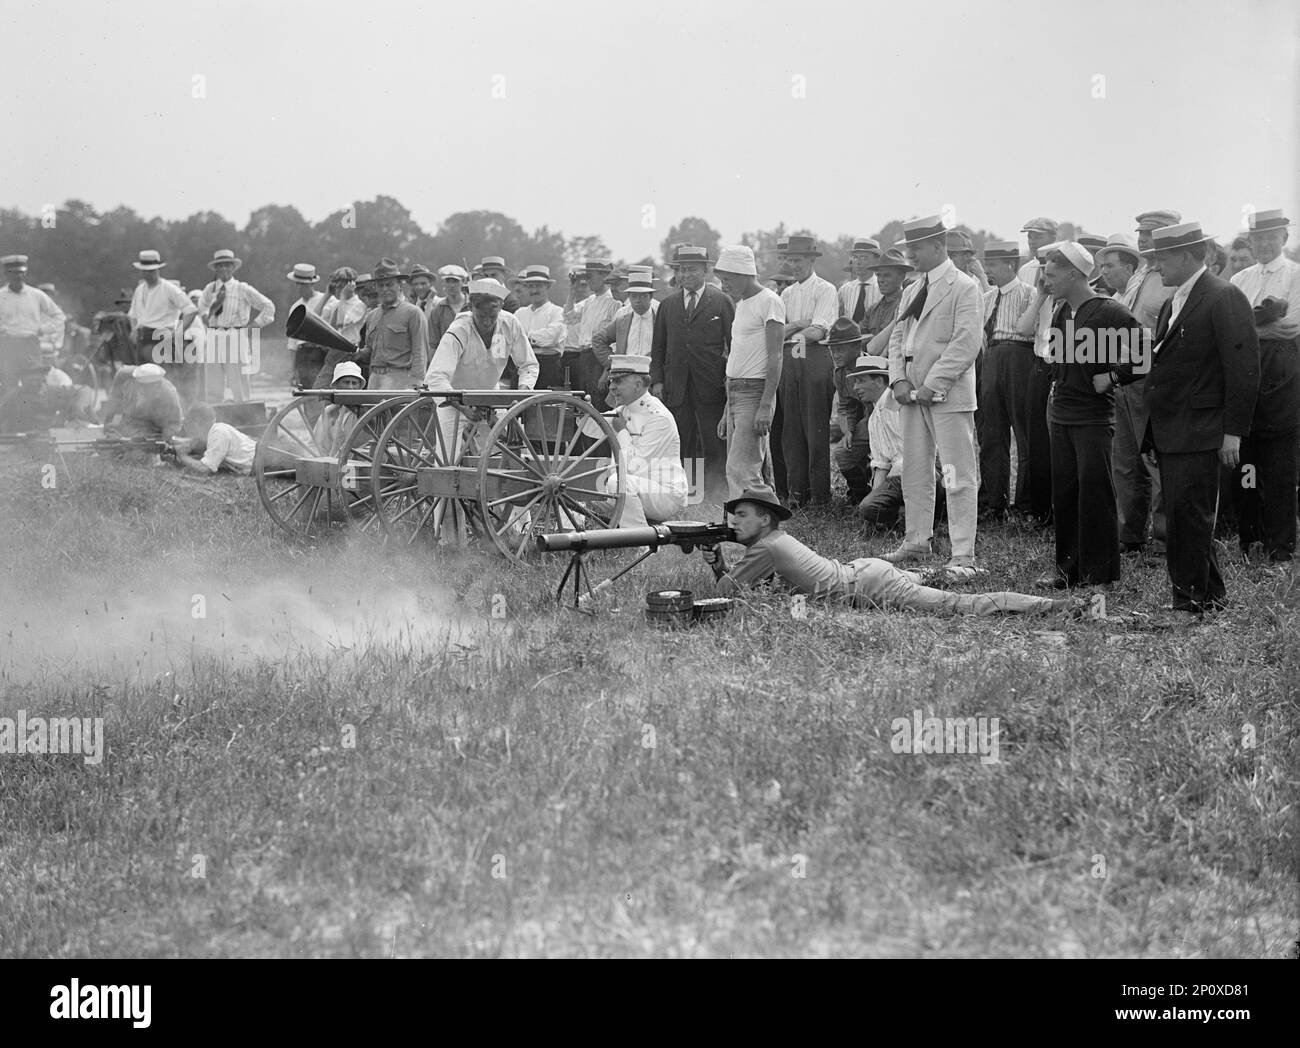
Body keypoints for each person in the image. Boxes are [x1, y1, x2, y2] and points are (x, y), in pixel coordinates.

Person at [701, 489, 1076, 616]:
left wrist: (717, 559)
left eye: (742, 516)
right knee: (932, 579)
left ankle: (1056, 608)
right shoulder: (773, 540)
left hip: (870, 586)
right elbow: (749, 588)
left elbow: (727, 595)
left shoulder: (765, 547)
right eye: (734, 516)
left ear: (765, 519)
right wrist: (720, 557)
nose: (734, 522)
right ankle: (968, 570)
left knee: (961, 605)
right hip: (865, 572)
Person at [1141, 221, 1260, 618]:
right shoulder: (1176, 300)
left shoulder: (1223, 297)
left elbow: (1243, 370)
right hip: (1176, 429)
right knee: (1185, 514)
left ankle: (1188, 603)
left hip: (1203, 429)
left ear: (1189, 256)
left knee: (1189, 517)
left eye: (1163, 258)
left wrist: (1233, 433)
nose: (1157, 266)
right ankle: (1209, 596)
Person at [883, 216, 983, 579]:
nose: (911, 256)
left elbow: (966, 343)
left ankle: (963, 554)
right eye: (909, 249)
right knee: (915, 470)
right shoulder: (912, 290)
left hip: (947, 396)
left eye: (917, 249)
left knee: (956, 472)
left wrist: (932, 384)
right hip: (911, 395)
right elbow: (898, 338)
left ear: (939, 246)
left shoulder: (964, 287)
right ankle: (916, 539)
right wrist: (898, 381)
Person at [1037, 241, 1137, 589]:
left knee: (1095, 494)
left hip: (1094, 419)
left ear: (1075, 274)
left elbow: (1144, 356)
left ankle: (1100, 575)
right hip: (1062, 415)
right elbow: (1059, 361)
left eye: (1051, 274)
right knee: (1064, 494)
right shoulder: (1061, 312)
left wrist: (1111, 377)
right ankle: (1067, 571)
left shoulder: (1109, 311)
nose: (1046, 281)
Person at [1230, 208, 1299, 563]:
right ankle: (1250, 539)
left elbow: (1289, 329)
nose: (1264, 243)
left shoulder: (1295, 276)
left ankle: (1281, 545)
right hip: (1245, 376)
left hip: (1281, 375)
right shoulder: (1241, 279)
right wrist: (1258, 330)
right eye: (1258, 237)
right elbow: (1229, 331)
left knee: (1279, 467)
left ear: (1284, 238)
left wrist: (1249, 331)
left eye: (1271, 236)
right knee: (1246, 464)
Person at [649, 244, 734, 502]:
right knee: (681, 439)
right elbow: (658, 347)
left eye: (692, 270)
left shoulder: (721, 301)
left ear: (705, 270)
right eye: (682, 270)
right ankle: (688, 493)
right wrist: (658, 381)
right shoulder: (668, 305)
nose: (686, 275)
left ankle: (717, 494)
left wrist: (728, 378)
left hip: (711, 385)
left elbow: (734, 344)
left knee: (713, 439)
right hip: (677, 385)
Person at [1098, 231, 1166, 554]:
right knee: (1125, 459)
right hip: (1124, 377)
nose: (1144, 240)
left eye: (1150, 233)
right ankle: (1130, 534)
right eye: (1140, 234)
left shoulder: (1169, 280)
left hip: (1151, 375)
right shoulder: (1138, 278)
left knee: (1154, 457)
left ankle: (1165, 538)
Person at [715, 245, 785, 499]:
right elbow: (738, 356)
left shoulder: (770, 301)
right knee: (741, 468)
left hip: (755, 391)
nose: (724, 286)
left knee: (741, 469)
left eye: (728, 280)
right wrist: (727, 410)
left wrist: (765, 404)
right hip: (735, 391)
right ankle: (753, 524)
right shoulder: (743, 305)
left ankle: (750, 527)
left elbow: (776, 356)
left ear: (744, 273)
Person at [777, 234, 839, 507]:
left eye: (799, 260)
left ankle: (820, 497)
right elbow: (775, 333)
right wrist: (797, 326)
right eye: (790, 260)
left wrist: (794, 330)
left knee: (815, 430)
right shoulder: (786, 294)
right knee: (791, 430)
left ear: (812, 260)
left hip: (814, 360)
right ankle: (797, 495)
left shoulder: (826, 289)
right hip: (790, 360)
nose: (794, 265)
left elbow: (818, 331)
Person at [976, 241, 1036, 521]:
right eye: (987, 265)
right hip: (992, 359)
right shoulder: (987, 298)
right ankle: (992, 502)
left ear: (1010, 265)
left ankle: (1025, 504)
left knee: (1024, 434)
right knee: (991, 434)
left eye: (993, 265)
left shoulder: (1029, 293)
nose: (988, 270)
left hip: (1020, 358)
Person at [601, 353, 688, 528]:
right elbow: (590, 426)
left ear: (638, 384)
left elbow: (635, 466)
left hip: (664, 493)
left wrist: (622, 431)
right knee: (574, 482)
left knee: (617, 482)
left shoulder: (658, 417)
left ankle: (639, 540)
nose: (611, 387)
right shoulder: (623, 410)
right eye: (611, 381)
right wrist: (576, 408)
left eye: (618, 381)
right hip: (637, 487)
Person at [197, 248, 274, 404]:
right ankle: (215, 415)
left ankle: (244, 412)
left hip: (235, 335)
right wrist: (205, 316)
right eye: (220, 266)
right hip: (214, 336)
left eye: (227, 265)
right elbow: (202, 305)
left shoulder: (242, 288)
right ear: (216, 269)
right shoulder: (210, 289)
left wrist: (254, 326)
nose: (224, 269)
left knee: (238, 381)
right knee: (213, 381)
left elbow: (268, 307)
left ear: (233, 268)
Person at [126, 250, 195, 403]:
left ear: (158, 269)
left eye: (151, 271)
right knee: (144, 379)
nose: (148, 274)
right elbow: (133, 314)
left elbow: (190, 310)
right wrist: (134, 329)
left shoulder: (169, 288)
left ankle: (172, 411)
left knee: (163, 380)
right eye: (145, 271)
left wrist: (178, 333)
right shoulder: (140, 290)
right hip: (143, 338)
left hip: (162, 338)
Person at [844, 353, 905, 529]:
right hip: (899, 476)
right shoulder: (874, 417)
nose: (856, 387)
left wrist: (883, 494)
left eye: (861, 381)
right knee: (868, 508)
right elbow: (881, 464)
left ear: (879, 381)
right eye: (856, 382)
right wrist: (874, 501)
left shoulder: (897, 405)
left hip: (925, 473)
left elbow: (911, 456)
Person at [1, 254, 65, 404]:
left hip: (30, 345)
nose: (17, 277)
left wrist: (43, 329)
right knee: (8, 385)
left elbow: (59, 316)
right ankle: (9, 424)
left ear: (25, 273)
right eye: (13, 273)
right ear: (6, 274)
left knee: (33, 384)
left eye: (20, 273)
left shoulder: (36, 295)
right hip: (7, 346)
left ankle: (31, 422)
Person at [356, 258, 428, 390]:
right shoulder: (372, 315)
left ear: (399, 285)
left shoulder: (413, 313)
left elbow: (420, 354)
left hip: (400, 380)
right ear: (375, 287)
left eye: (389, 284)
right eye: (381, 285)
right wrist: (356, 352)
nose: (385, 289)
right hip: (374, 379)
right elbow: (369, 350)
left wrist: (416, 384)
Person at [825, 318, 871, 504]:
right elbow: (845, 406)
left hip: (885, 422)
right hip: (866, 422)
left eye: (840, 348)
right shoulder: (841, 373)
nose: (835, 354)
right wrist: (848, 431)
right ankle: (860, 494)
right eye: (832, 349)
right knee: (843, 453)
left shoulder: (872, 365)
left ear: (857, 346)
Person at [592, 270, 658, 389]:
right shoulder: (622, 321)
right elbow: (598, 339)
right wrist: (615, 364)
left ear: (651, 297)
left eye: (643, 296)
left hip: (651, 378)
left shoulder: (660, 319)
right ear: (629, 297)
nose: (638, 300)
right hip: (626, 377)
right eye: (634, 296)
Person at [564, 259, 620, 397]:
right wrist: (572, 290)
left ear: (604, 276)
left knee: (599, 401)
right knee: (585, 400)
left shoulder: (614, 302)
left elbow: (615, 341)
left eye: (590, 276)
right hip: (584, 356)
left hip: (600, 358)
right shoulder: (589, 301)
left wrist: (607, 370)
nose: (587, 281)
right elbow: (569, 317)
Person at [311, 267, 369, 390]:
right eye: (335, 286)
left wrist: (343, 296)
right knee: (318, 390)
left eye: (340, 285)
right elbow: (314, 318)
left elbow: (340, 322)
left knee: (343, 390)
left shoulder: (360, 305)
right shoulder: (337, 304)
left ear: (351, 285)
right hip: (334, 351)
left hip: (348, 351)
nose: (337, 289)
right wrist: (327, 295)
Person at [514, 265, 567, 389]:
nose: (534, 291)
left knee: (547, 405)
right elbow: (512, 338)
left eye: (538, 286)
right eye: (530, 286)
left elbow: (551, 337)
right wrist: (535, 340)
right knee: (519, 403)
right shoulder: (519, 313)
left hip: (548, 367)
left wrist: (524, 338)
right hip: (522, 366)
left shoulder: (557, 312)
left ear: (547, 287)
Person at [102, 362, 183, 443]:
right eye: (144, 386)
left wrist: (163, 438)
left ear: (158, 384)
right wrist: (108, 423)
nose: (147, 390)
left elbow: (176, 422)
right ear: (138, 382)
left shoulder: (169, 394)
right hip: (130, 427)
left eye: (151, 386)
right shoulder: (126, 379)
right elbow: (114, 401)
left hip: (155, 432)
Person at [285, 263, 329, 389]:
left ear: (311, 284)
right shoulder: (295, 307)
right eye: (297, 284)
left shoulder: (328, 301)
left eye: (303, 284)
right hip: (303, 354)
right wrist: (292, 370)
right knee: (306, 392)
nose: (299, 287)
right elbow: (292, 343)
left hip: (321, 353)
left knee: (322, 392)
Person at [311, 361, 367, 455]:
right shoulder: (328, 412)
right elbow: (316, 444)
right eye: (346, 382)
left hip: (355, 464)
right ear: (336, 385)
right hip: (329, 462)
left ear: (359, 387)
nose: (351, 387)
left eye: (354, 383)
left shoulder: (366, 413)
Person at [837, 237, 882, 322]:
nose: (858, 262)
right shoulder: (844, 290)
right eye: (855, 257)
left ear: (876, 261)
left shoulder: (883, 289)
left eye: (864, 258)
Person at [428, 264, 469, 350]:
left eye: (455, 281)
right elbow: (434, 344)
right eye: (448, 281)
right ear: (443, 283)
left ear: (463, 282)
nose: (451, 285)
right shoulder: (438, 310)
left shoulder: (472, 306)